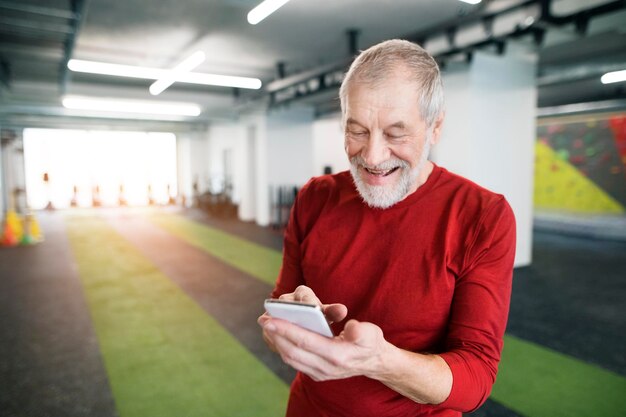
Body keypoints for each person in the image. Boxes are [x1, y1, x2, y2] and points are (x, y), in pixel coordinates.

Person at [258, 39, 516, 417]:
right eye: (357, 131)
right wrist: (287, 326)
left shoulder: (483, 216)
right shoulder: (315, 197)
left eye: (396, 133)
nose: (373, 157)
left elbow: (475, 377)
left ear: (435, 126)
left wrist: (379, 361)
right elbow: (276, 313)